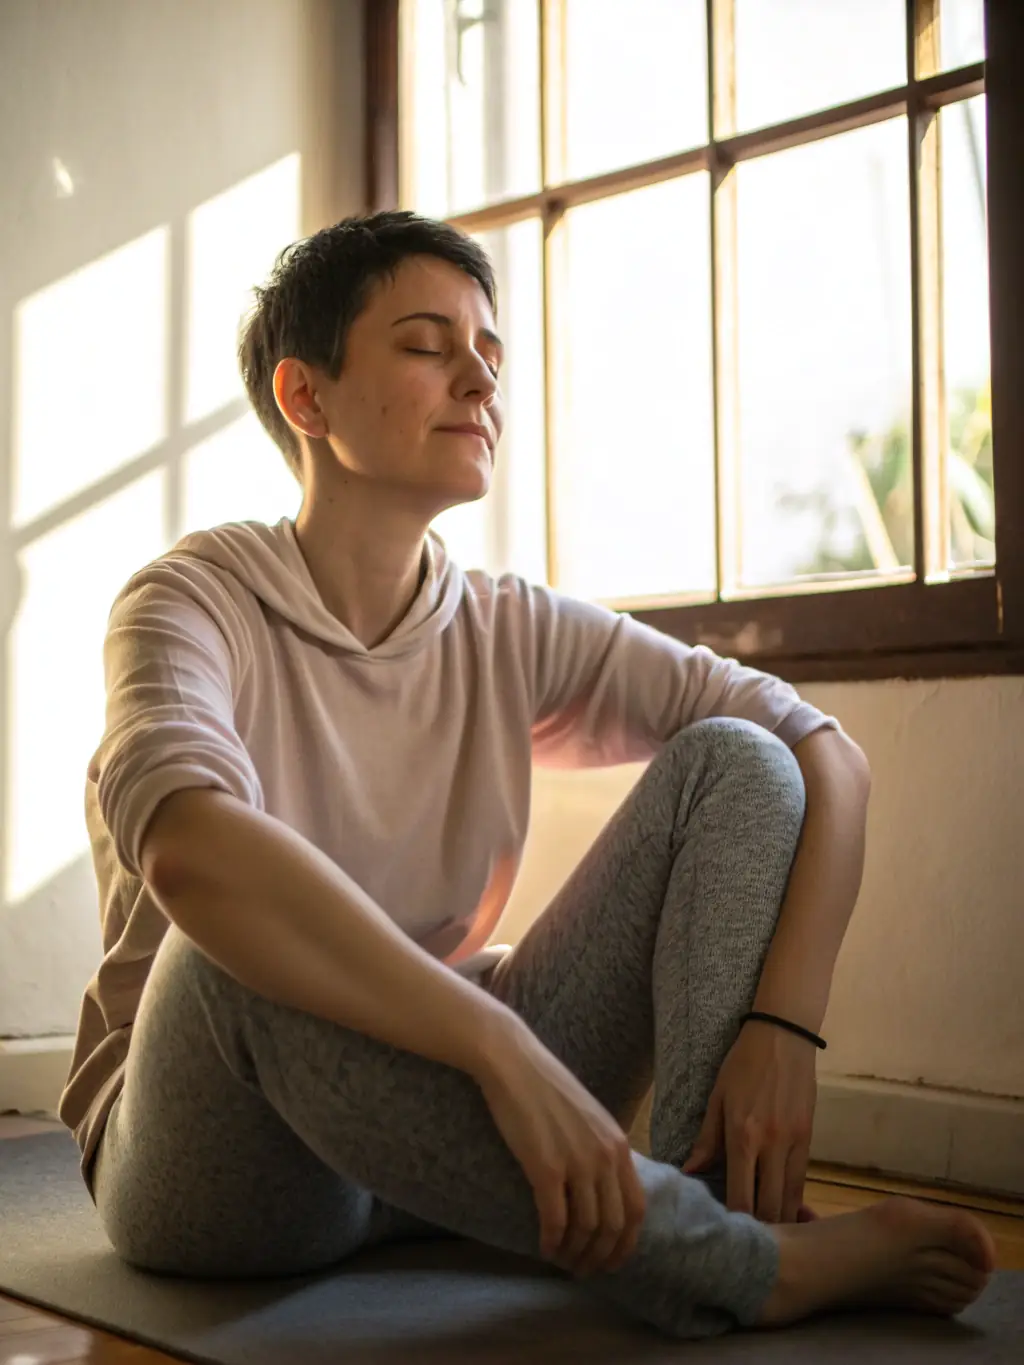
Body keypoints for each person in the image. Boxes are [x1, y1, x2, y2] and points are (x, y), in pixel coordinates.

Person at [60, 211, 995, 1341]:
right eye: (425, 346)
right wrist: (499, 1044)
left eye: (489, 355)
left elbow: (821, 755)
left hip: (429, 1113)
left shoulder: (505, 625)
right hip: (226, 1166)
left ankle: (713, 1204)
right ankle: (729, 1265)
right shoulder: (188, 600)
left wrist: (783, 1031)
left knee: (737, 761)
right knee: (232, 941)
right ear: (306, 398)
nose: (479, 381)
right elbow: (188, 851)